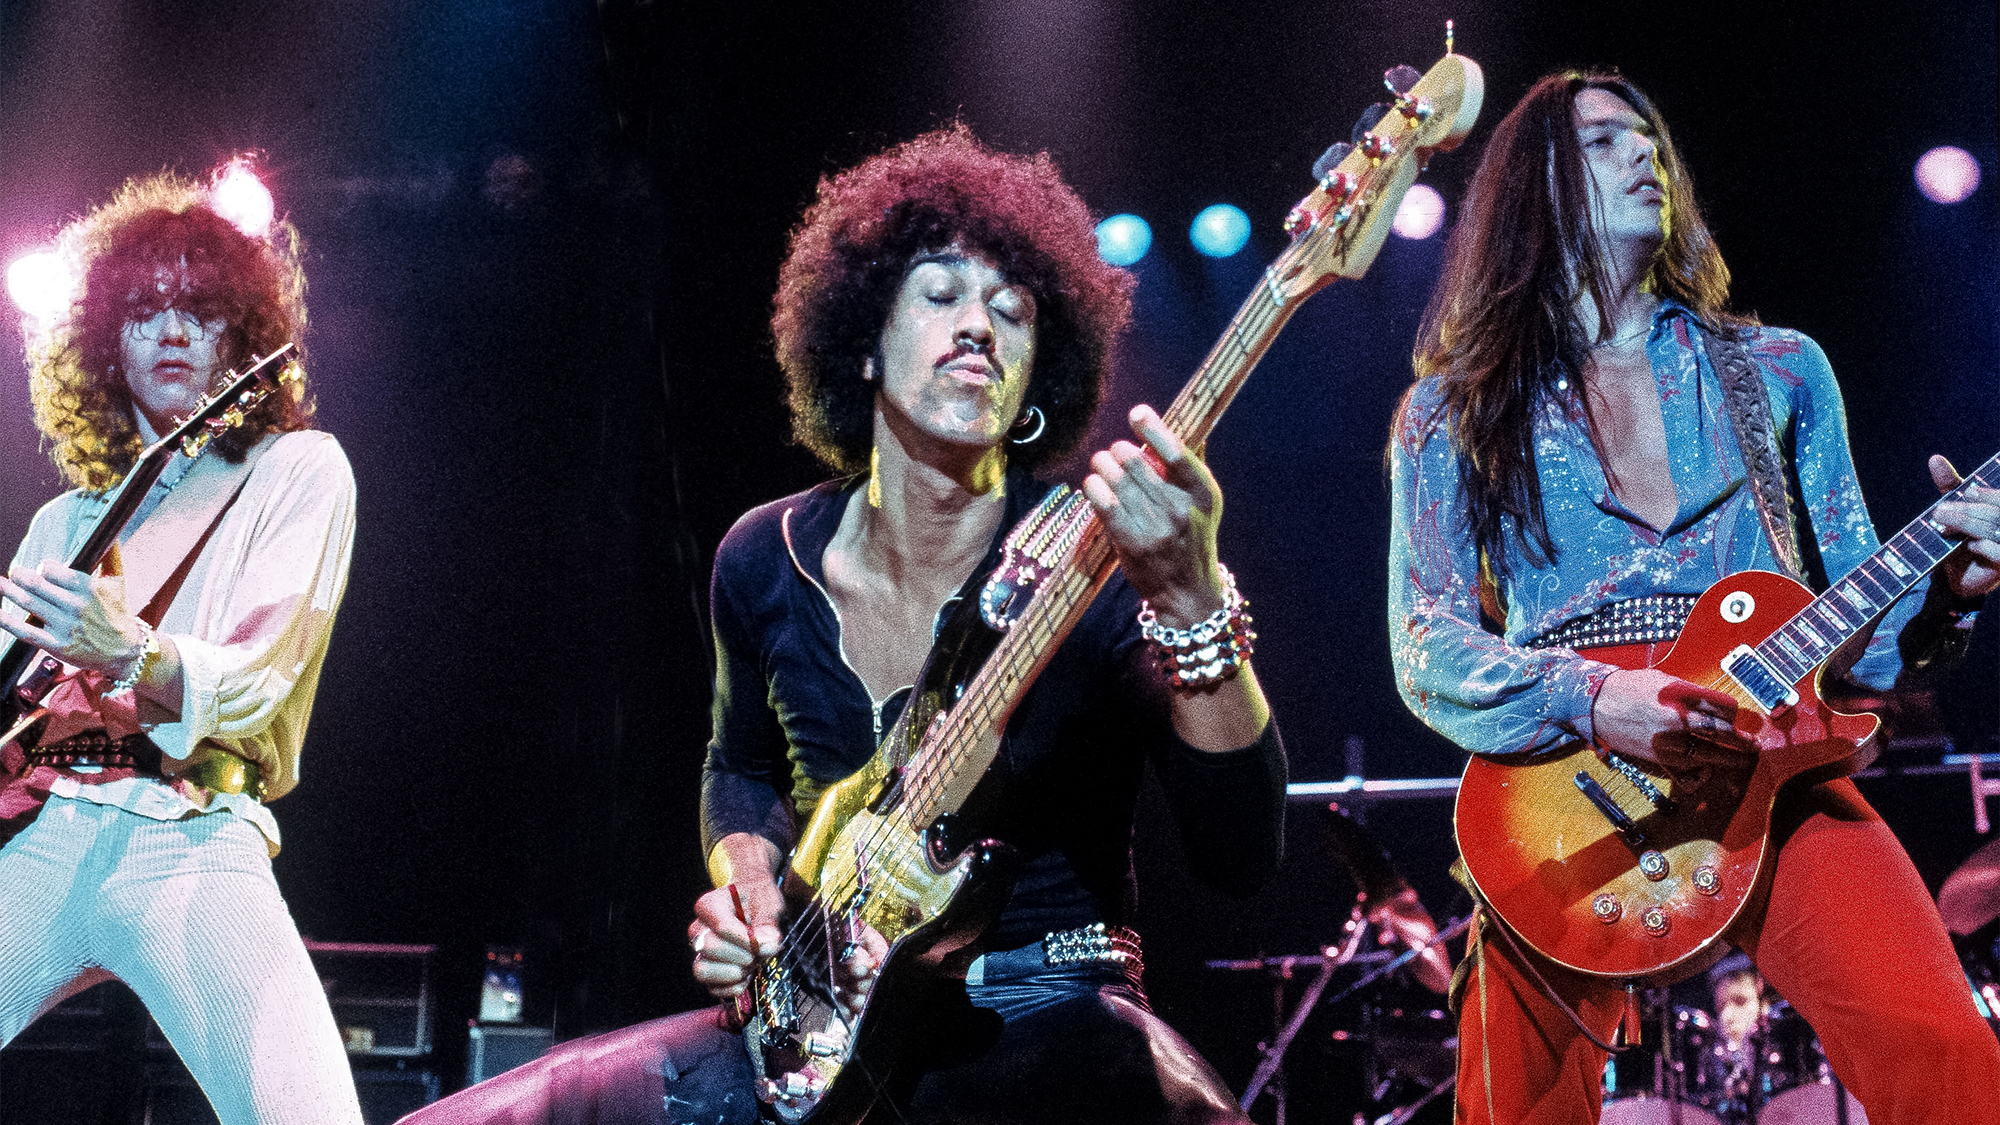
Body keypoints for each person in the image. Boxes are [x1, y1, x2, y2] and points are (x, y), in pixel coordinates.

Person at [400, 126, 1286, 1125]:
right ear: (860, 338)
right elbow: (737, 765)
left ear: (1039, 377)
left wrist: (1190, 601)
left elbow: (1240, 856)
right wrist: (744, 884)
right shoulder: (758, 556)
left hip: (1048, 1012)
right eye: (940, 293)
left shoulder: (1093, 556)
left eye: (1014, 310)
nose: (979, 327)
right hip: (816, 1026)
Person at [1385, 72, 2000, 1124]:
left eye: (1651, 140)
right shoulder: (1452, 409)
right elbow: (1424, 641)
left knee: (1946, 1055)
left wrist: (1950, 589)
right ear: (1533, 189)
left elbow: (1865, 635)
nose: (1645, 158)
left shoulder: (1778, 372)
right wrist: (1590, 698)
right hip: (1560, 790)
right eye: (1604, 142)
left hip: (1770, 761)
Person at [0, 166, 361, 1124]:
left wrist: (133, 653)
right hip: (47, 829)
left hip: (193, 833)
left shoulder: (299, 470)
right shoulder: (61, 522)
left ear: (240, 336)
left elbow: (257, 684)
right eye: (144, 309)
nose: (170, 330)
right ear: (104, 342)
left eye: (199, 311)